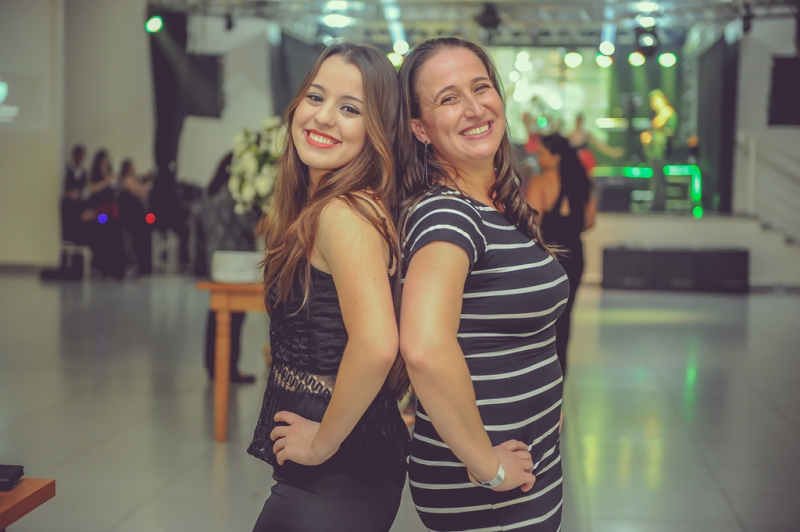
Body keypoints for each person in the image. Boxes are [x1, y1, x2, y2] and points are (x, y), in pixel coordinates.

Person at [397, 38, 567, 532]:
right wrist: (487, 466)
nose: (474, 108)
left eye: (480, 87)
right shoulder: (448, 214)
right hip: (483, 483)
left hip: (526, 461)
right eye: (448, 98)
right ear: (419, 128)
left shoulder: (496, 203)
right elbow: (424, 348)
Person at [246, 43, 410, 532]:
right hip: (334, 472)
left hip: (339, 476)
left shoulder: (342, 213)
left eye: (350, 109)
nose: (323, 117)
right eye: (315, 97)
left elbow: (376, 343)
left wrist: (322, 443)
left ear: (378, 129)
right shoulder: (330, 205)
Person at [523, 134, 595, 379]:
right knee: (565, 319)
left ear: (556, 157)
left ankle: (541, 375)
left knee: (544, 320)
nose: (538, 157)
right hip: (575, 256)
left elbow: (532, 223)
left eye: (542, 153)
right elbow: (589, 222)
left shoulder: (540, 182)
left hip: (548, 258)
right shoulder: (582, 183)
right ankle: (561, 373)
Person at [201, 152, 257, 384]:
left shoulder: (210, 192)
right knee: (233, 319)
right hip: (236, 265)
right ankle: (229, 369)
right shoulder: (236, 194)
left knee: (216, 315)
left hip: (215, 261)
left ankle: (213, 367)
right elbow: (251, 226)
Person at [83, 149, 125, 279]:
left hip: (110, 211)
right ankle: (102, 267)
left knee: (116, 232)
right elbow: (92, 188)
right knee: (103, 231)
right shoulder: (92, 174)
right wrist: (106, 181)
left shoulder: (111, 174)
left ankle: (116, 269)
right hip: (99, 212)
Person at [117, 158, 153, 276]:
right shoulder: (126, 180)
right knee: (128, 241)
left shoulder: (134, 180)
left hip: (134, 217)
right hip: (128, 216)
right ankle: (131, 263)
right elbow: (139, 191)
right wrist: (149, 183)